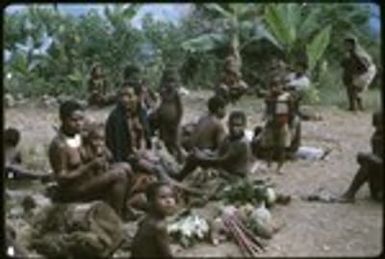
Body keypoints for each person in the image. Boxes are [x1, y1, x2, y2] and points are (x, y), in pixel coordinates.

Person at [48, 100, 130, 216]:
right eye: (74, 120)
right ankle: (116, 216)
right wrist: (89, 166)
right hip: (73, 190)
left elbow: (107, 154)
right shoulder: (60, 145)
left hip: (89, 180)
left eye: (81, 120)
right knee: (119, 175)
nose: (79, 124)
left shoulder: (81, 136)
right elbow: (61, 177)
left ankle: (124, 209)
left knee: (125, 166)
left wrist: (102, 150)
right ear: (63, 120)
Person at [175, 111, 254, 181]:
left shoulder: (242, 143)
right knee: (197, 155)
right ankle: (180, 177)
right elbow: (218, 152)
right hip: (225, 169)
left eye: (238, 125)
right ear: (228, 124)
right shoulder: (228, 138)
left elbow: (222, 159)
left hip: (234, 176)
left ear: (244, 126)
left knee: (197, 159)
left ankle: (179, 177)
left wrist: (202, 158)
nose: (234, 128)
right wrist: (203, 153)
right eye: (232, 125)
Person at [337, 110, 383, 202]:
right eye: (376, 125)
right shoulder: (377, 136)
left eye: (380, 125)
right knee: (368, 162)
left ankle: (350, 194)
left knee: (368, 162)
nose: (377, 128)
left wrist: (368, 157)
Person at [131, 182, 176, 258]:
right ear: (150, 202)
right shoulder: (159, 226)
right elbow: (168, 256)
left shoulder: (147, 219)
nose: (169, 201)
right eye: (163, 197)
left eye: (171, 196)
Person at [261, 77, 294, 173]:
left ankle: (280, 167)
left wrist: (290, 123)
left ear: (281, 86)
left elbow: (291, 111)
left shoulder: (287, 98)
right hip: (271, 124)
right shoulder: (269, 97)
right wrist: (265, 117)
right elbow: (266, 109)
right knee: (269, 146)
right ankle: (268, 164)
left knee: (282, 147)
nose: (275, 88)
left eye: (277, 85)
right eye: (273, 86)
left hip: (282, 124)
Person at [155, 66, 184, 163]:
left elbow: (180, 109)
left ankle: (181, 160)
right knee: (166, 141)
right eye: (168, 82)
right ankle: (172, 159)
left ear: (176, 83)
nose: (170, 84)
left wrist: (177, 121)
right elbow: (161, 104)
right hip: (164, 122)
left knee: (176, 143)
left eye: (172, 82)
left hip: (175, 122)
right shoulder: (163, 93)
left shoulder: (176, 94)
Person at [341, 36, 376, 111]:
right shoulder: (352, 52)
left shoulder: (356, 53)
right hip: (365, 69)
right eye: (345, 44)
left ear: (352, 44)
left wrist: (355, 75)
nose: (345, 45)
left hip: (368, 70)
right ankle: (358, 107)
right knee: (352, 87)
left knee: (352, 87)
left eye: (347, 44)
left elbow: (365, 66)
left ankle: (353, 107)